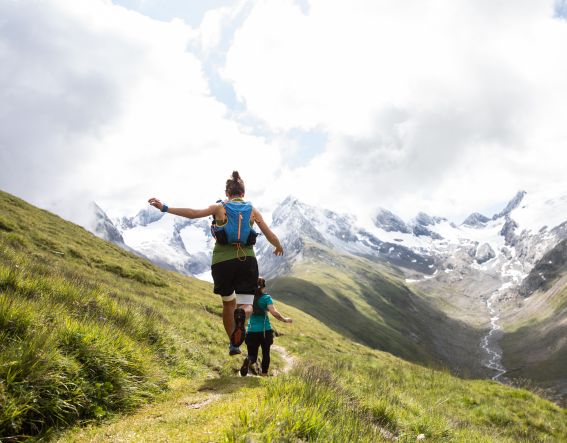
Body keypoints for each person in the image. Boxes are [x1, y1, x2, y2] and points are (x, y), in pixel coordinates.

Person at [148, 171, 284, 356]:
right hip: (247, 262)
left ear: (227, 193)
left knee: (228, 304)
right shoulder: (252, 210)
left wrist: (165, 207)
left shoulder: (219, 208)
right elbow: (269, 234)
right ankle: (242, 314)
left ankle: (234, 345)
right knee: (246, 305)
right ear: (243, 193)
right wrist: (277, 246)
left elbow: (193, 214)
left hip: (222, 263)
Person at [240, 277, 292, 377]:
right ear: (263, 287)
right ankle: (264, 374)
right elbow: (274, 312)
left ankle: (249, 361)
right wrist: (285, 320)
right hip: (265, 330)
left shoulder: (249, 298)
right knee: (266, 353)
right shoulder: (266, 298)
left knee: (252, 355)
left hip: (251, 331)